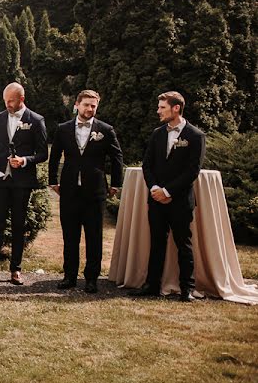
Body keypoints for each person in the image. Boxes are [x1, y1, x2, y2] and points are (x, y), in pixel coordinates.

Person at [0, 82, 47, 285]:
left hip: (22, 182)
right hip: (0, 180)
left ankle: (16, 270)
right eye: (5, 100)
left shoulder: (36, 120)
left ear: (22, 98)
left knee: (19, 225)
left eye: (11, 100)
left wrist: (24, 160)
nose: (7, 104)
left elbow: (42, 154)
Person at [48, 90, 123, 293]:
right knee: (70, 235)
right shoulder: (63, 129)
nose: (90, 109)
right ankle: (69, 276)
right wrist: (53, 180)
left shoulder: (105, 130)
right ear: (77, 105)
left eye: (93, 106)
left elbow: (117, 158)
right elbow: (54, 156)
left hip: (95, 191)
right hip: (69, 190)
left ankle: (91, 278)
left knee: (94, 236)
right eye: (87, 105)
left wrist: (116, 184)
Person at [133, 91, 206, 302]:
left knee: (184, 244)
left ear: (176, 108)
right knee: (156, 242)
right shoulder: (157, 133)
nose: (158, 111)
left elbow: (192, 171)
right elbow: (147, 165)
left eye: (162, 107)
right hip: (156, 199)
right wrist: (155, 188)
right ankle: (152, 285)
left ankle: (187, 289)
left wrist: (168, 192)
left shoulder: (195, 136)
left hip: (180, 200)